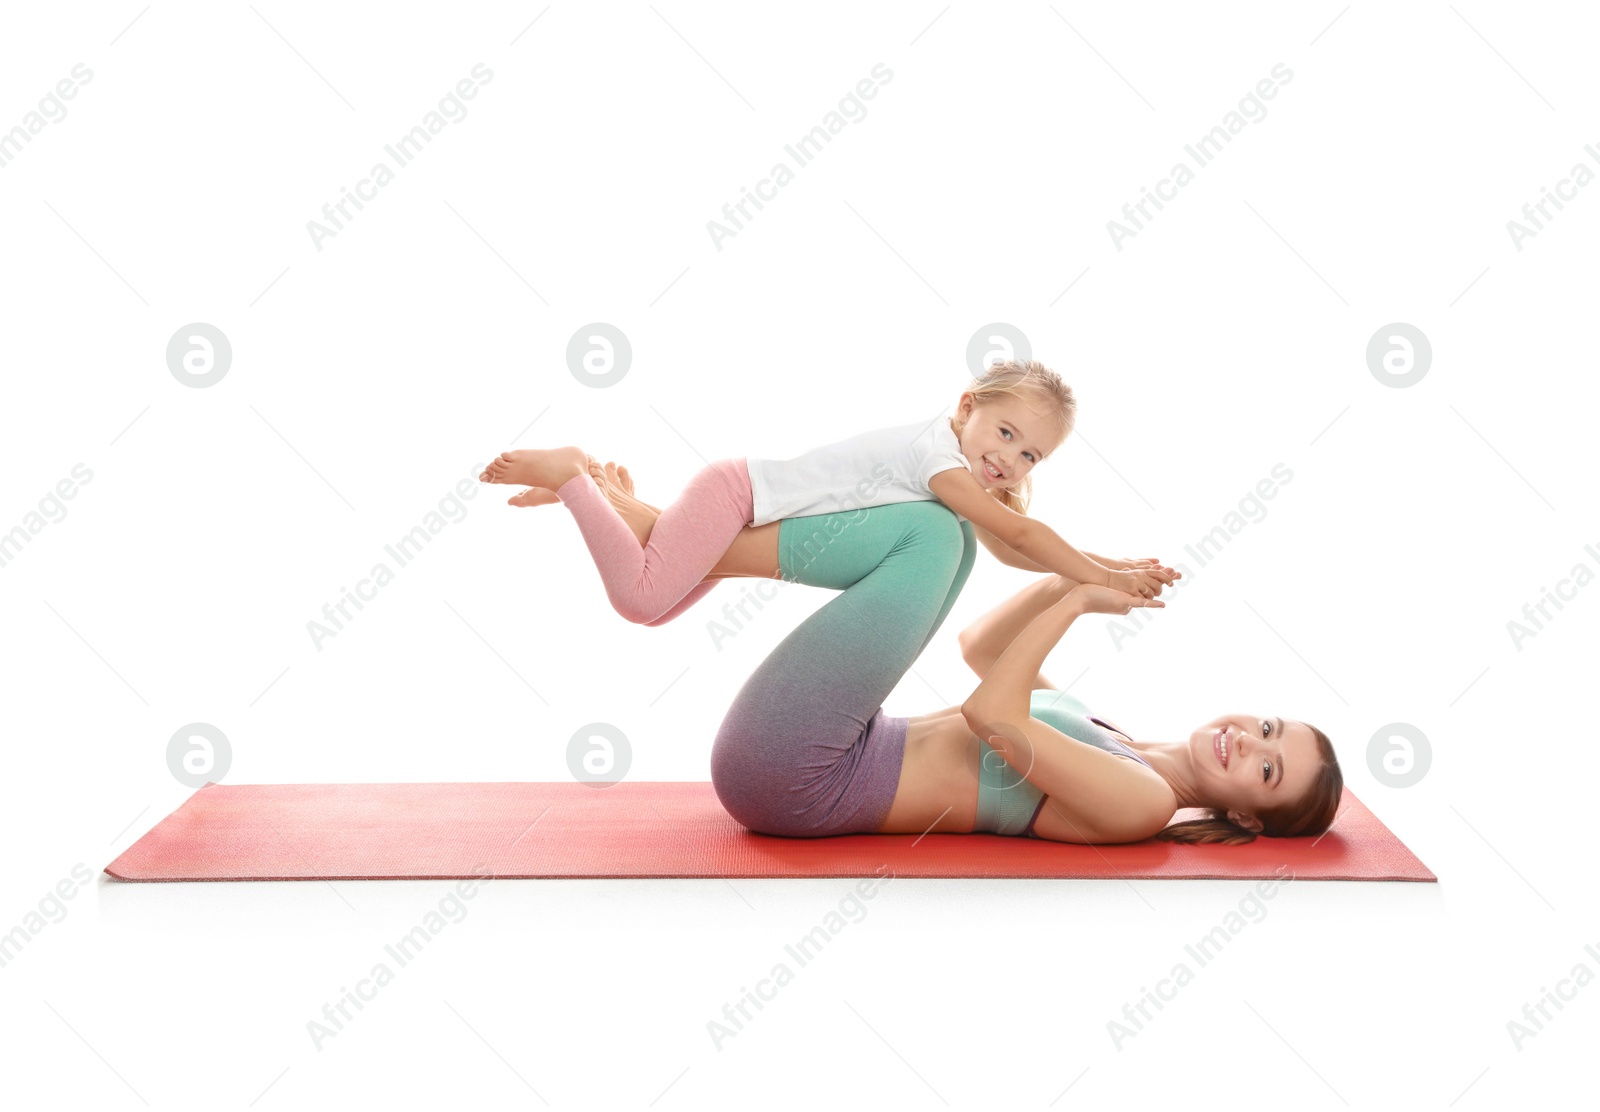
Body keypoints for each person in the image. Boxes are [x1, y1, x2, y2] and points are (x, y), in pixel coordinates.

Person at [564, 459, 1343, 845]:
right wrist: (1094, 572)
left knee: (933, 533)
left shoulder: (1143, 804)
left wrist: (1078, 597)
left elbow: (992, 711)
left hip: (797, 780)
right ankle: (677, 544)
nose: (1250, 742)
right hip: (834, 746)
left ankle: (677, 545)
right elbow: (984, 647)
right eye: (1270, 728)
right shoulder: (1118, 735)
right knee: (956, 536)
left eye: (1265, 770)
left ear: (1243, 812)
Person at [478, 359, 1177, 628]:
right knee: (640, 598)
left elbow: (1010, 547)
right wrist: (1106, 574)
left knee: (656, 602)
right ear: (967, 406)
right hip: (736, 493)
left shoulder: (956, 468)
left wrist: (1113, 566)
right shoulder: (937, 457)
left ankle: (597, 495)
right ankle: (572, 474)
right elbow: (1023, 535)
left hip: (741, 501)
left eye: (1031, 454)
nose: (1011, 458)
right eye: (1005, 431)